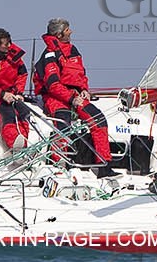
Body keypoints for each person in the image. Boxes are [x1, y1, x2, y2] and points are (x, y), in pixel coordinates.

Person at [34, 18, 115, 176]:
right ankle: (57, 165)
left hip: (76, 95)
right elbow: (53, 85)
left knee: (99, 119)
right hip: (55, 97)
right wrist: (71, 98)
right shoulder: (50, 55)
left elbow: (81, 74)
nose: (71, 32)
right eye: (67, 29)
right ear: (59, 34)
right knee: (63, 124)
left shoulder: (73, 50)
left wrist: (84, 89)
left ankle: (104, 165)